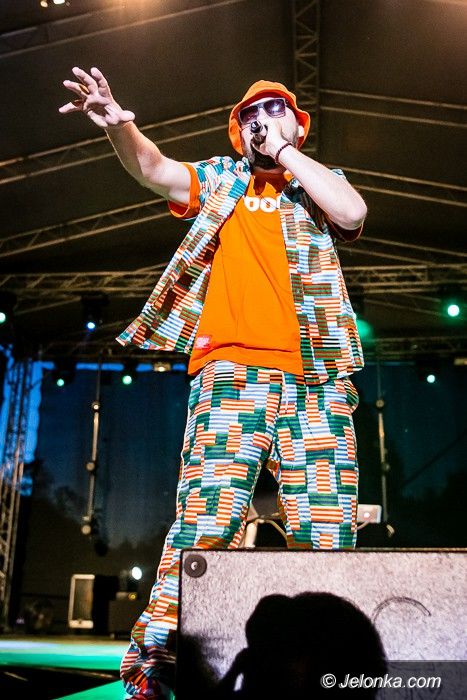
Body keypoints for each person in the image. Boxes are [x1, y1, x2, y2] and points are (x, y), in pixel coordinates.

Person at [60, 66, 367, 700]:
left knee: (329, 537)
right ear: (238, 132)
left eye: (275, 112)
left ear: (297, 126)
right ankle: (156, 665)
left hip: (318, 379)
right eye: (250, 116)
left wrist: (286, 156)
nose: (261, 122)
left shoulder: (319, 182)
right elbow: (154, 169)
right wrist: (120, 126)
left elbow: (353, 211)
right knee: (204, 525)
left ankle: (329, 673)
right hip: (231, 375)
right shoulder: (222, 178)